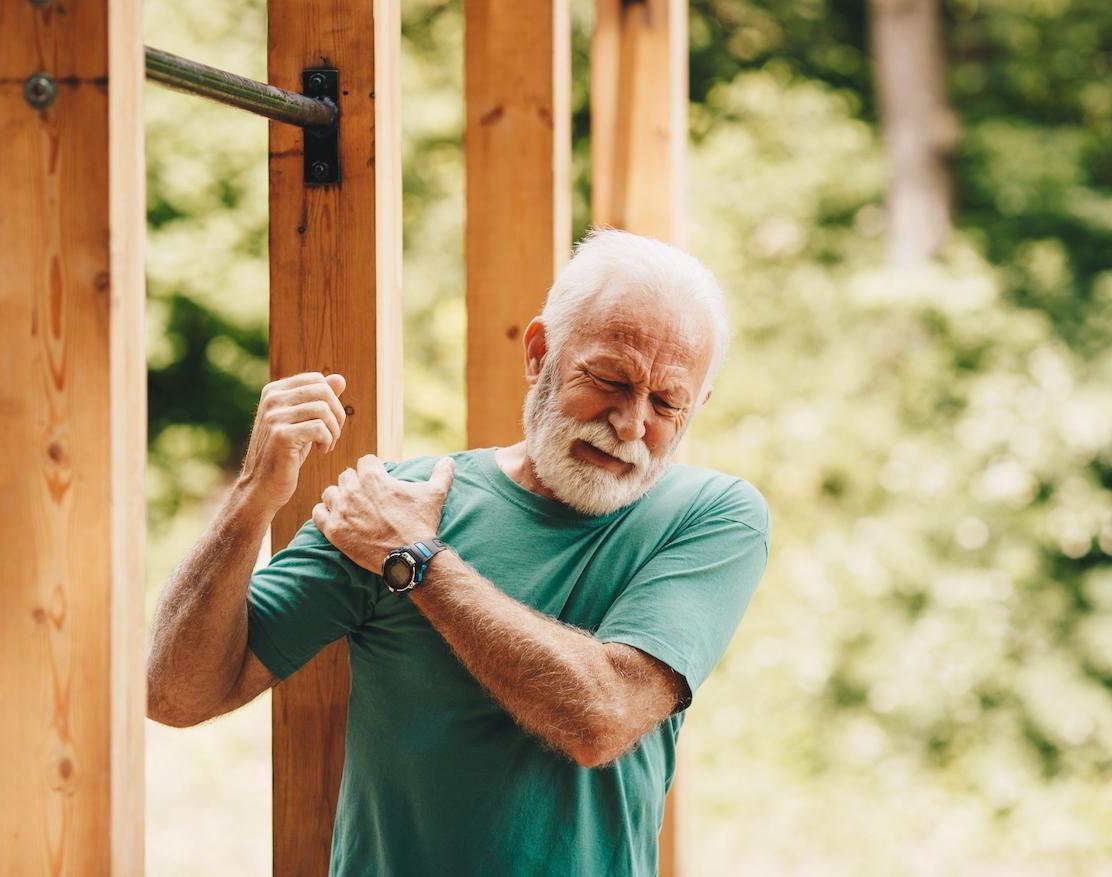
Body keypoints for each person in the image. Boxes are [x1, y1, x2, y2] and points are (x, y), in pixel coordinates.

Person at [146, 228, 771, 876]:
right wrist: (253, 496)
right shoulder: (391, 502)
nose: (630, 423)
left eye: (667, 400)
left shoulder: (712, 517)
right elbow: (174, 693)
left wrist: (415, 560)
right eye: (608, 379)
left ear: (698, 405)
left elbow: (602, 716)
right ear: (539, 353)